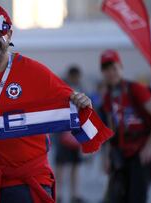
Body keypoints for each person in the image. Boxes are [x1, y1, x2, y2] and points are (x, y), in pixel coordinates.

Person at [0, 4, 93, 203]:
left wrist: (82, 101)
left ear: (10, 33)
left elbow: (75, 105)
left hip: (27, 182)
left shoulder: (35, 72)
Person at [100, 49, 151, 203]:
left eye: (114, 68)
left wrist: (149, 147)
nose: (111, 73)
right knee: (116, 197)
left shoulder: (135, 89)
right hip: (120, 155)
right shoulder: (107, 96)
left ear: (121, 68)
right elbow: (111, 130)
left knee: (136, 198)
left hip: (140, 153)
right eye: (106, 69)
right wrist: (107, 157)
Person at [55, 65, 86, 203]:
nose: (77, 79)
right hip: (63, 134)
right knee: (61, 167)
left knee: (75, 166)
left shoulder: (81, 89)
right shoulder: (61, 88)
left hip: (76, 134)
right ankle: (58, 195)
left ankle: (75, 195)